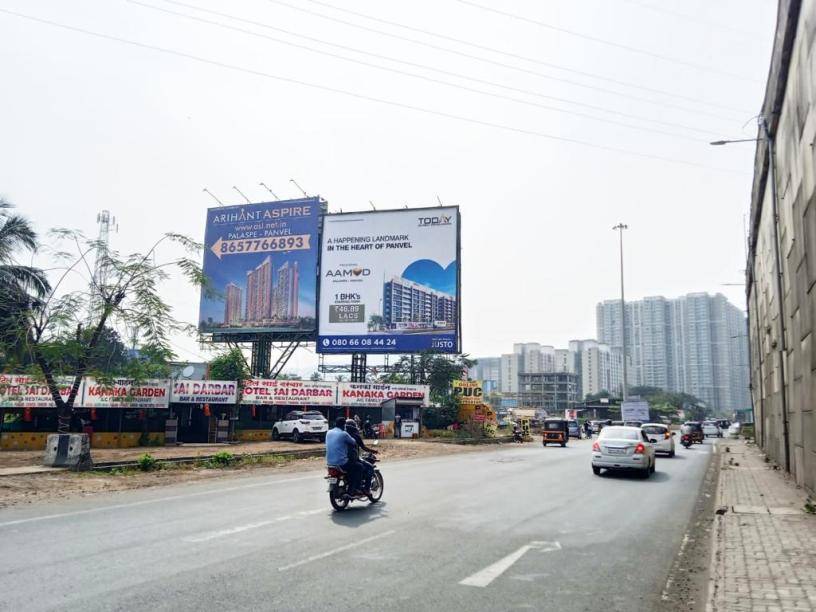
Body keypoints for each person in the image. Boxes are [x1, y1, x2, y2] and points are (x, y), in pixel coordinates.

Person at [325, 417, 363, 495]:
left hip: (329, 463)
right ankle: (354, 489)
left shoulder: (328, 432)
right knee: (359, 467)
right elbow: (353, 442)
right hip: (341, 463)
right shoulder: (344, 434)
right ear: (344, 425)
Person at [345, 419, 378, 492]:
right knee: (370, 468)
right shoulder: (355, 436)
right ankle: (366, 489)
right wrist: (373, 451)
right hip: (353, 459)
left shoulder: (343, 435)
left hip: (343, 459)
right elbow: (363, 447)